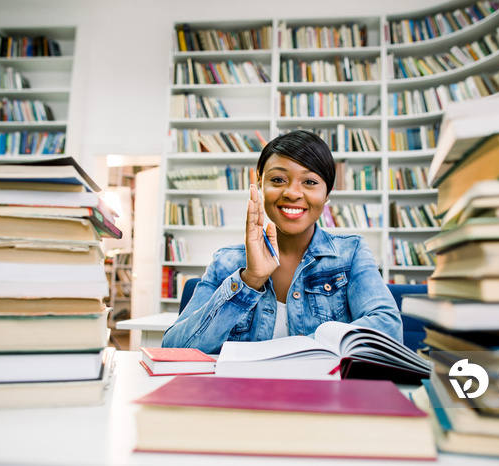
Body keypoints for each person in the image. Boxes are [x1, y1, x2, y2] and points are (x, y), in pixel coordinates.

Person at [162, 130, 403, 354]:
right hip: (243, 396)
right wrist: (249, 281)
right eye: (278, 180)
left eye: (309, 182)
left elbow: (389, 330)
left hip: (323, 395)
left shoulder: (350, 253)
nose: (292, 193)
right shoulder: (226, 261)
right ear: (260, 185)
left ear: (327, 194)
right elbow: (174, 349)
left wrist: (290, 351)